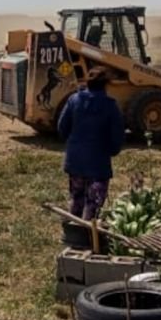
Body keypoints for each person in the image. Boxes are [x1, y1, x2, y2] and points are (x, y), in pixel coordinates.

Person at [58, 67, 125, 221]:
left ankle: (73, 234)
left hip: (75, 162)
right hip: (98, 165)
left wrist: (73, 145)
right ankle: (87, 237)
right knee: (93, 205)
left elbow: (62, 128)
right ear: (106, 85)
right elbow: (117, 136)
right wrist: (112, 150)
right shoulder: (110, 106)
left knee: (76, 199)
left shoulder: (74, 100)